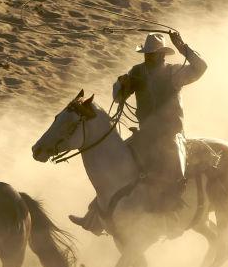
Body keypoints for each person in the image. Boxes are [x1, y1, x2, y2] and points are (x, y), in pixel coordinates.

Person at [69, 31, 207, 234]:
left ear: (162, 55)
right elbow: (118, 97)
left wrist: (182, 46)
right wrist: (121, 85)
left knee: (174, 171)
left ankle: (171, 217)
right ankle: (95, 216)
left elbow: (201, 67)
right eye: (147, 54)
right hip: (146, 134)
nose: (149, 58)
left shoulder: (173, 73)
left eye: (152, 54)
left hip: (170, 134)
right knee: (115, 167)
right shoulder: (137, 72)